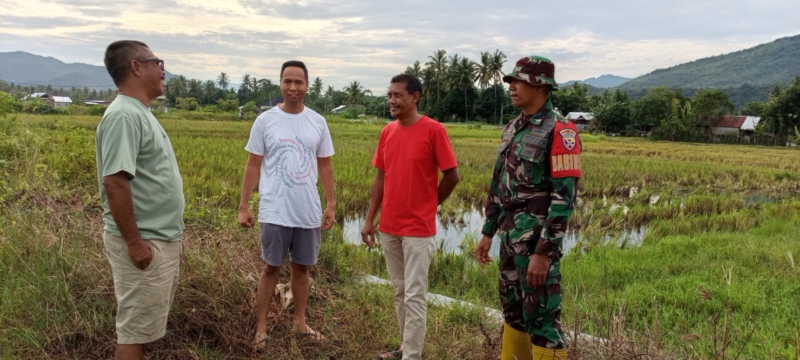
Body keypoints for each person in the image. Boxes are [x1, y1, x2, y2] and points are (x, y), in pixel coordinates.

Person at [475, 55, 582, 360]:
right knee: (513, 315)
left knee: (543, 322)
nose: (512, 86)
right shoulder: (512, 128)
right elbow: (499, 185)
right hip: (510, 242)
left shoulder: (561, 131)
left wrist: (543, 253)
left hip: (536, 246)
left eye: (519, 81)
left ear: (541, 86)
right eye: (511, 80)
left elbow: (564, 200)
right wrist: (487, 232)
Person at [361, 74, 461, 360]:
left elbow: (452, 175)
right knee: (400, 291)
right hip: (389, 226)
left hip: (418, 229)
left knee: (415, 294)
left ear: (415, 97)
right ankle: (406, 348)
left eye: (398, 95)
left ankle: (412, 356)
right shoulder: (387, 132)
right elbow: (380, 177)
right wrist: (370, 220)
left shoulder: (433, 130)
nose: (392, 100)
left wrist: (430, 205)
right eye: (389, 95)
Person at [238, 60, 336, 348]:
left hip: (307, 209)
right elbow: (252, 165)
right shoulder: (265, 121)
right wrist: (244, 205)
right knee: (270, 267)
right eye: (287, 81)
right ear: (280, 84)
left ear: (307, 85)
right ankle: (261, 328)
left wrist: (330, 204)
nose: (293, 87)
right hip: (274, 209)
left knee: (302, 268)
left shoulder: (318, 121)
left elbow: (326, 166)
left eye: (299, 82)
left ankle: (300, 323)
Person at [96, 40, 184, 360]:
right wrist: (134, 242)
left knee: (142, 329)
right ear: (136, 67)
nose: (163, 70)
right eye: (157, 62)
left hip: (156, 239)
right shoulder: (123, 115)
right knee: (134, 331)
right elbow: (115, 182)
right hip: (144, 242)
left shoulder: (138, 112)